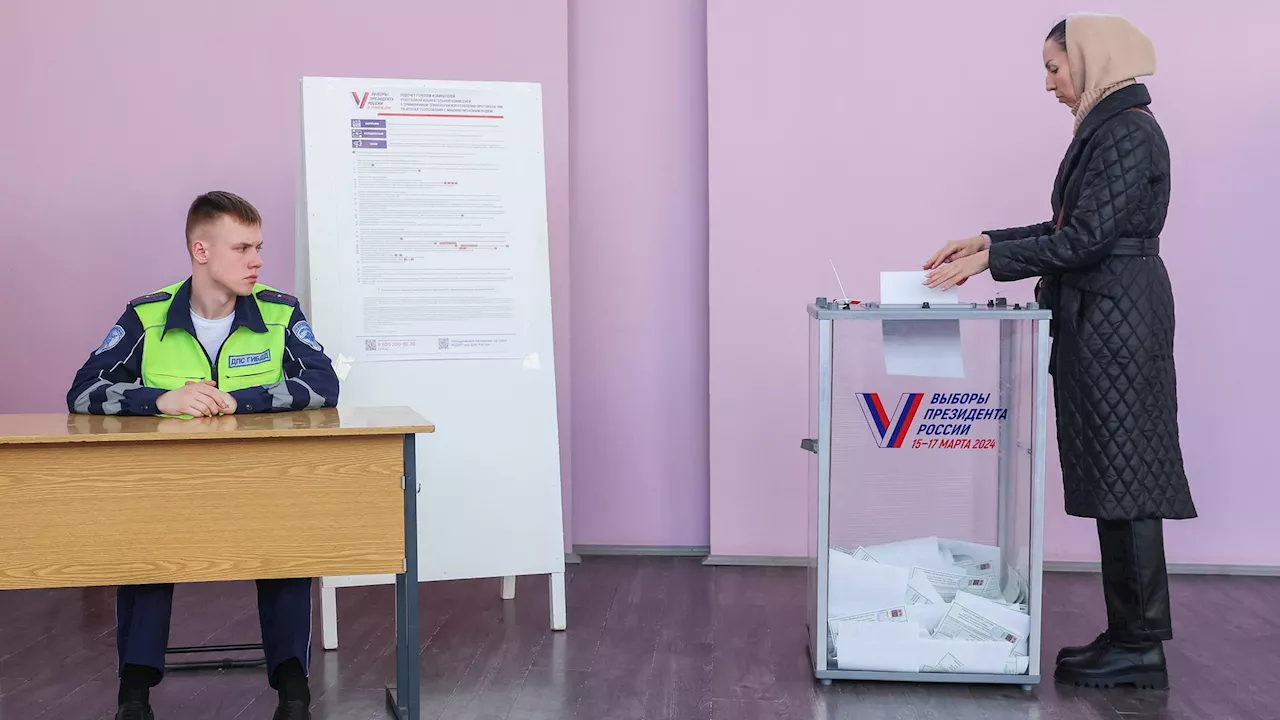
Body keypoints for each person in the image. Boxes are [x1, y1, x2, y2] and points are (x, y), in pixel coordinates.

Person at [922, 14, 1195, 690]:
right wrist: (985, 242)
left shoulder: (1128, 132)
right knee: (1115, 475)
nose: (1049, 83)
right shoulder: (1109, 127)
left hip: (1118, 320)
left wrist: (993, 263)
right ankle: (1129, 633)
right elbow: (1066, 228)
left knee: (1129, 481)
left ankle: (1141, 645)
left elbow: (1083, 242)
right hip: (1104, 315)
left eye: (1054, 66)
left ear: (1092, 59)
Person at [67, 190, 340, 720]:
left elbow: (324, 385)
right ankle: (134, 696)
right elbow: (82, 391)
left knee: (287, 547)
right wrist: (160, 399)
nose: (257, 260)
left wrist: (244, 399)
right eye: (242, 248)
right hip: (167, 487)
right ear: (201, 251)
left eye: (259, 247)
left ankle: (293, 692)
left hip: (260, 483)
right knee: (144, 549)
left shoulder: (281, 313)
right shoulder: (145, 316)